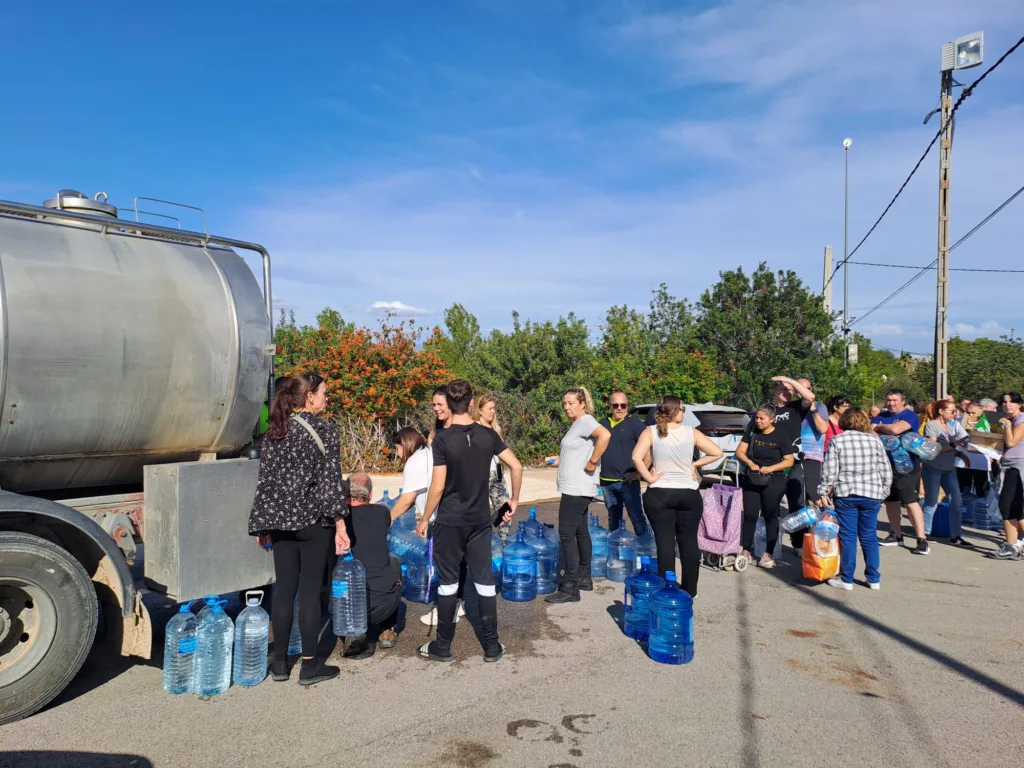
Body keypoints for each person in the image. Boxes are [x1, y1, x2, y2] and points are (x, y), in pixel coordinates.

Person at [247, 373, 350, 687]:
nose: (327, 398)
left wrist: (263, 525)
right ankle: (309, 664)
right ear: (309, 397)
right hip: (312, 523)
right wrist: (341, 525)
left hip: (279, 523)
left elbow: (266, 482)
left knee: (283, 590)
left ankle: (279, 664)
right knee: (308, 593)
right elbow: (331, 486)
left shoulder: (275, 431)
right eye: (324, 393)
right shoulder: (325, 433)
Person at [416, 380, 522, 662]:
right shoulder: (488, 435)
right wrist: (514, 500)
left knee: (448, 583)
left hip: (450, 520)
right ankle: (491, 646)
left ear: (449, 405)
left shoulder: (442, 439)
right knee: (484, 582)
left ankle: (443, 646)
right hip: (479, 521)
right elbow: (516, 465)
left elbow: (437, 487)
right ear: (473, 403)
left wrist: (425, 518)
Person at [631, 396, 723, 595]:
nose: (684, 412)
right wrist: (695, 464)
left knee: (664, 542)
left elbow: (636, 457)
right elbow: (717, 452)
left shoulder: (651, 431)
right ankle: (690, 591)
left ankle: (667, 589)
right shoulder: (692, 432)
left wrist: (649, 477)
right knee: (689, 542)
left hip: (660, 493)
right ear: (674, 412)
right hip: (688, 494)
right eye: (682, 409)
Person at [545, 387, 611, 603]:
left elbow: (605, 435)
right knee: (581, 532)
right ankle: (584, 577)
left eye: (571, 403)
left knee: (566, 533)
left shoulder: (586, 421)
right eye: (564, 403)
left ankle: (570, 587)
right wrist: (560, 457)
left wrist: (593, 461)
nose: (566, 407)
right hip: (576, 486)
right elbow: (578, 448)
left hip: (577, 487)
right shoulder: (578, 425)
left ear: (582, 403)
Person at [817, 408, 892, 591]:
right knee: (869, 536)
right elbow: (885, 469)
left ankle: (847, 578)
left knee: (848, 536)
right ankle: (873, 578)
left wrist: (824, 491)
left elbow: (830, 471)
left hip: (847, 492)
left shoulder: (837, 440)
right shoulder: (875, 440)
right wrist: (883, 492)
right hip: (872, 492)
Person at [342, 472, 402, 659]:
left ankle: (349, 629)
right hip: (381, 604)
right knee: (394, 563)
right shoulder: (382, 512)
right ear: (369, 495)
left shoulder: (339, 520)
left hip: (345, 606)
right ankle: (387, 630)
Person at [735, 404, 796, 568]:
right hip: (752, 477)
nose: (758, 421)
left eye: (762, 418)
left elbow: (789, 460)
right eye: (757, 418)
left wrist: (770, 468)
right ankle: (746, 550)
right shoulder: (752, 431)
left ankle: (768, 553)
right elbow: (739, 452)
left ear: (772, 419)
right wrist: (750, 463)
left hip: (773, 479)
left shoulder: (781, 436)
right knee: (750, 515)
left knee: (770, 515)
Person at [872, 389, 930, 554]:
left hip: (905, 464)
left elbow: (896, 430)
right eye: (889, 400)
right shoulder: (881, 415)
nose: (891, 403)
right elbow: (869, 431)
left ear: (902, 401)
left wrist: (881, 428)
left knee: (910, 501)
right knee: (891, 501)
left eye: (894, 400)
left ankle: (921, 539)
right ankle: (896, 535)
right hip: (884, 464)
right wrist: (883, 431)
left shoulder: (909, 415)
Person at [768, 376, 821, 555]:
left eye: (789, 391)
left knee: (797, 505)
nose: (786, 393)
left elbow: (810, 397)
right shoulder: (768, 410)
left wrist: (788, 380)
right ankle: (770, 544)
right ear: (775, 393)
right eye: (782, 390)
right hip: (771, 464)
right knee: (770, 505)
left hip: (794, 463)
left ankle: (798, 544)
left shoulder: (796, 408)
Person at [598, 392, 648, 537]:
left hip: (628, 482)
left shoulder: (636, 425)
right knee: (613, 519)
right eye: (615, 405)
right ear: (611, 406)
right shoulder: (602, 424)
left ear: (627, 406)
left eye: (623, 405)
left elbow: (649, 450)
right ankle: (616, 551)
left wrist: (640, 473)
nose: (619, 408)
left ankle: (643, 549)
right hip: (606, 482)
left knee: (636, 517)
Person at [921, 399, 969, 546]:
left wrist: (961, 455)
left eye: (955, 411)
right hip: (934, 468)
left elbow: (950, 447)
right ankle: (925, 534)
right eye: (951, 411)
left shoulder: (950, 426)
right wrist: (955, 444)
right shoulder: (932, 425)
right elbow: (932, 448)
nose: (954, 413)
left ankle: (955, 535)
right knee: (931, 501)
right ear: (941, 411)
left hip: (949, 469)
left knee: (956, 501)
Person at [472, 393, 513, 540]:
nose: (492, 411)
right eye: (489, 408)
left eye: (494, 408)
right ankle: (484, 539)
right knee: (479, 510)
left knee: (504, 508)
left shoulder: (494, 428)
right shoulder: (474, 428)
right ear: (480, 410)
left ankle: (502, 540)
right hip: (482, 474)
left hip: (498, 472)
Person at [991, 392, 1024, 560]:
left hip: (1018, 467)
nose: (1007, 405)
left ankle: (1011, 546)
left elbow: (1012, 442)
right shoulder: (1012, 420)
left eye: (1012, 402)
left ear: (1019, 404)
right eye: (1004, 402)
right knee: (1014, 508)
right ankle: (1013, 546)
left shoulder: (1020, 420)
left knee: (1008, 505)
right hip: (1009, 465)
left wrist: (1006, 425)